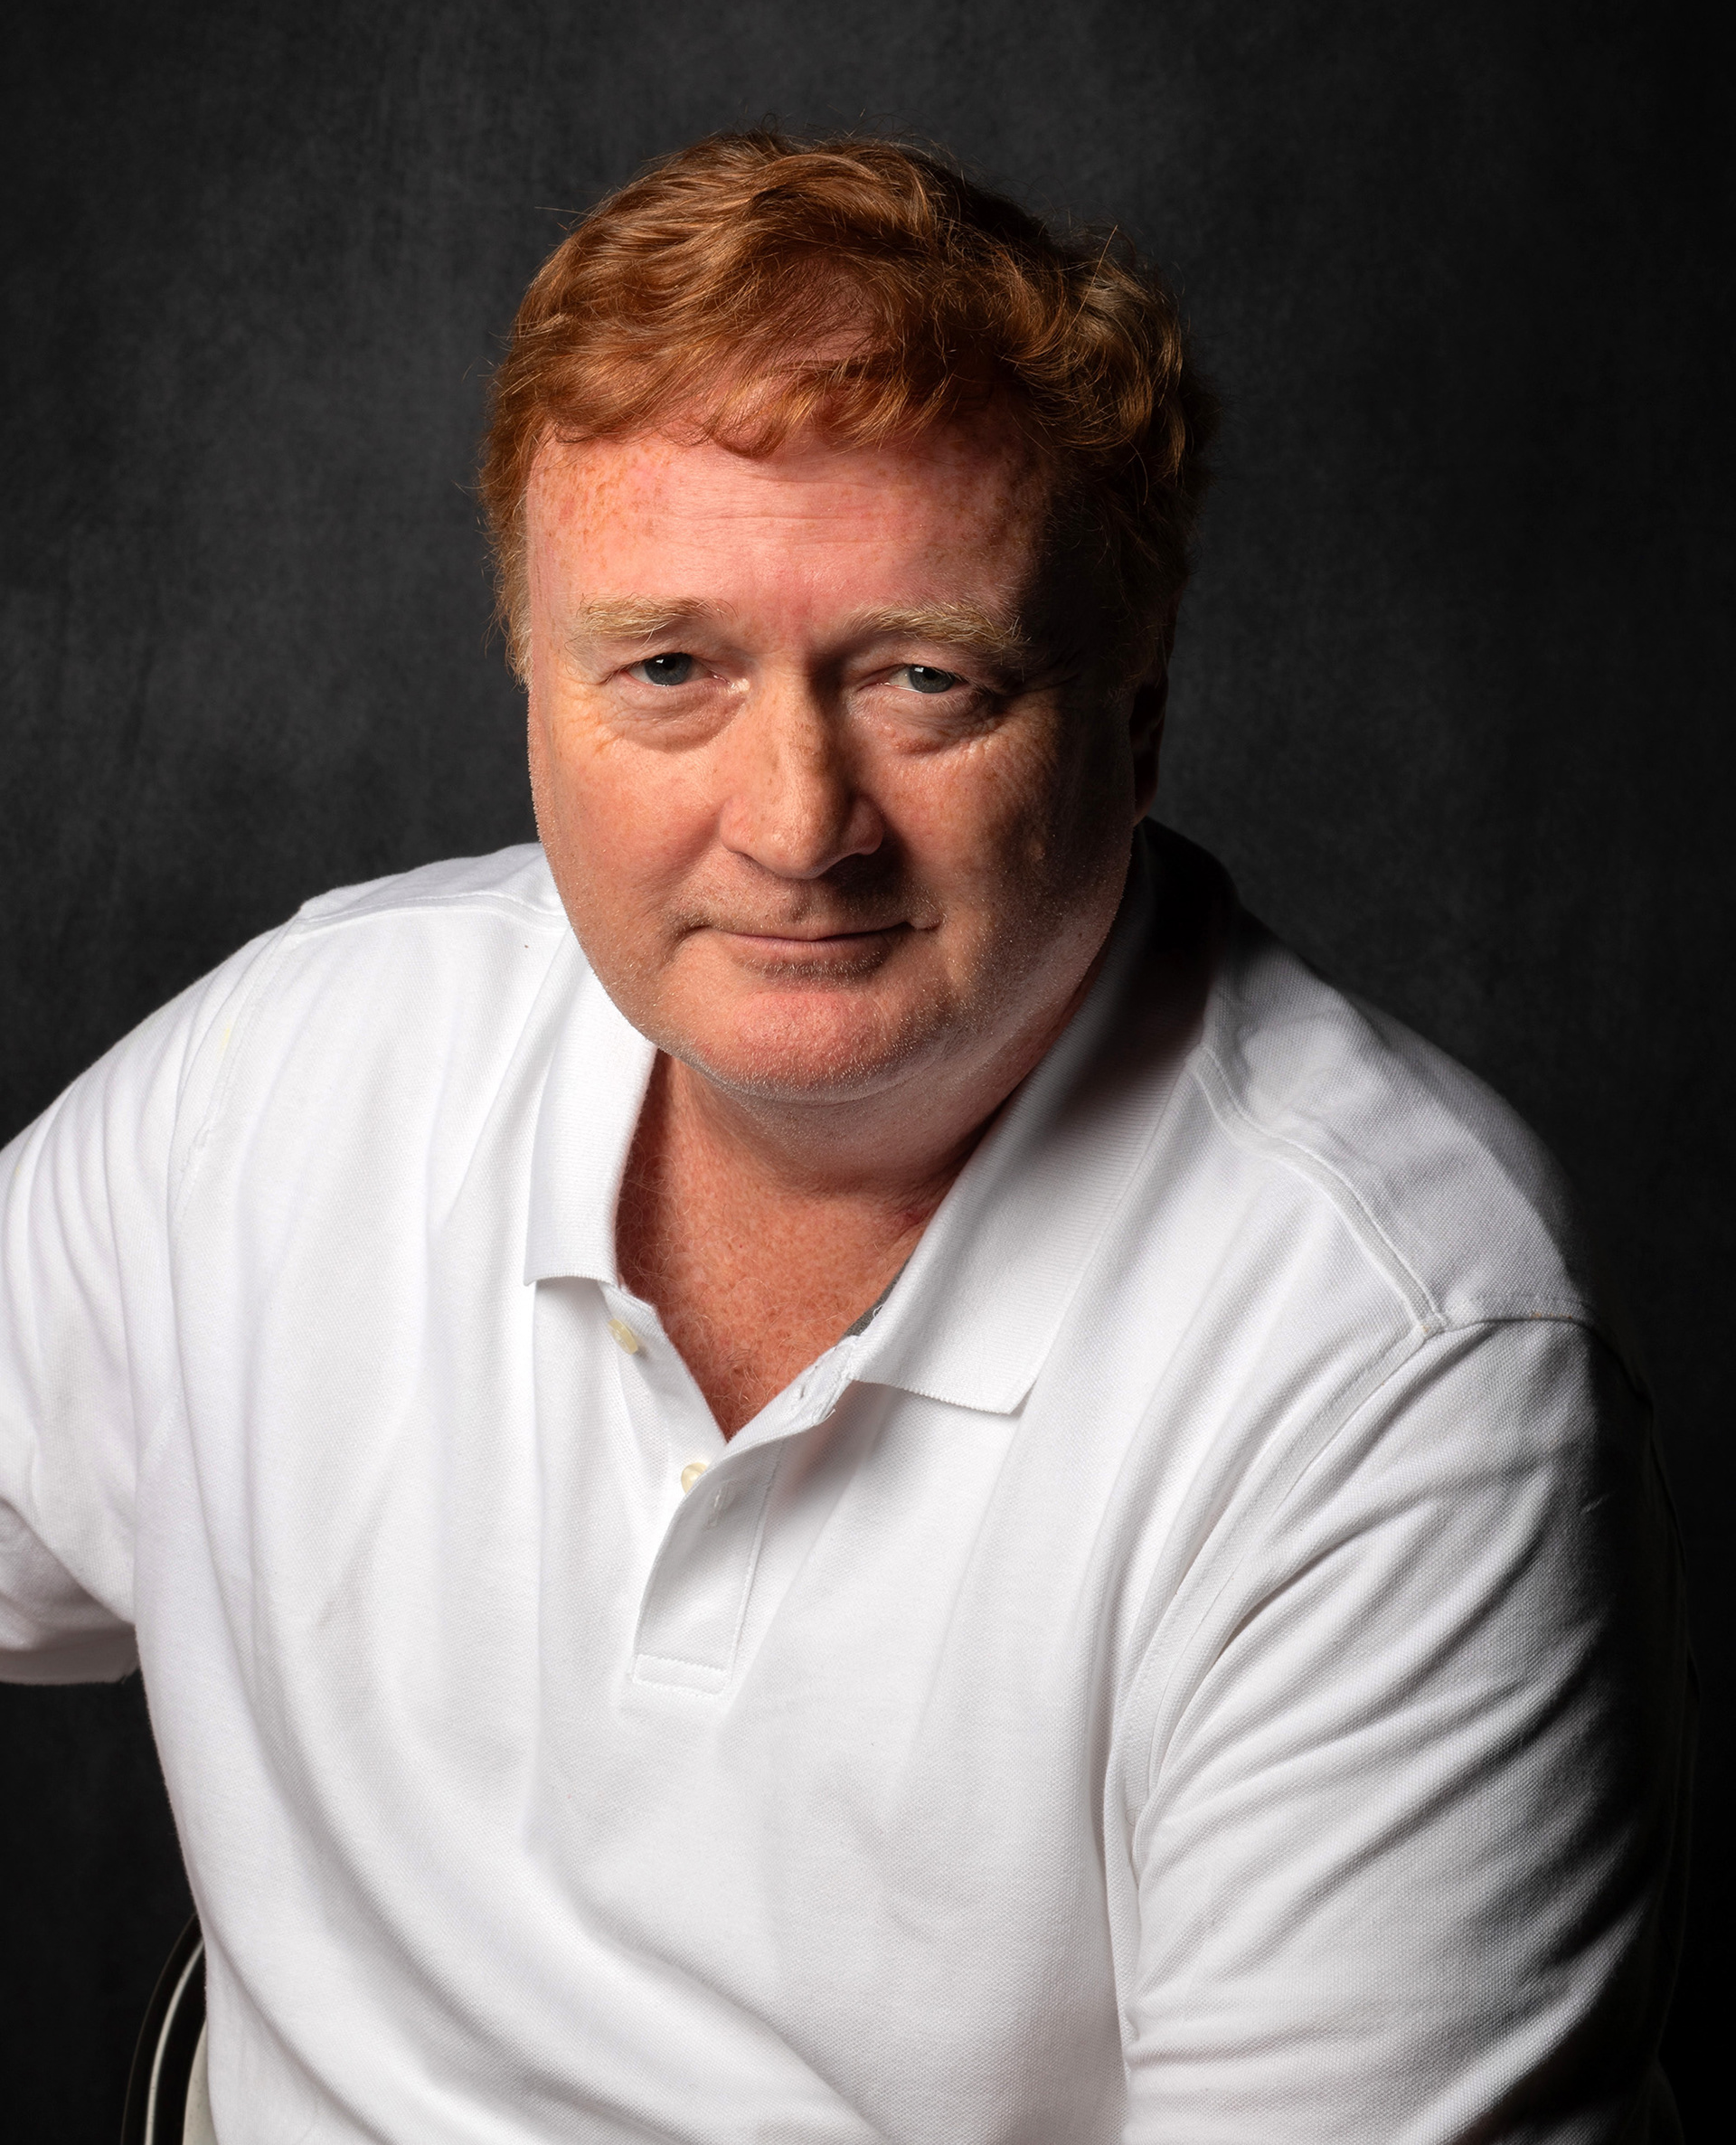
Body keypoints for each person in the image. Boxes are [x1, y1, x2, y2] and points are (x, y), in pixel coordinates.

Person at [0, 134, 1691, 2143]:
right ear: (534, 685)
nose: (799, 824)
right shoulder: (289, 1079)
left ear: (1137, 715)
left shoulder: (1399, 1361)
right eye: (669, 670)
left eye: (923, 679)